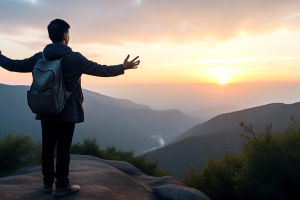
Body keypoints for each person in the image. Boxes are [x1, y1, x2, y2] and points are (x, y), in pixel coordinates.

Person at [0, 19, 140, 197]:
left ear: (50, 36)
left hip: (45, 107)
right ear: (66, 36)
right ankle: (62, 186)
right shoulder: (75, 58)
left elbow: (15, 65)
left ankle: (47, 183)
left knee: (48, 147)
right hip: (67, 112)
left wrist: (0, 56)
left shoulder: (39, 57)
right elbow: (100, 70)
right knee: (63, 149)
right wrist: (123, 67)